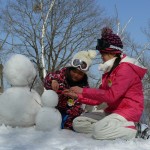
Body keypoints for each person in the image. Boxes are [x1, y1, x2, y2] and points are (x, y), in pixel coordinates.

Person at [63, 27, 149, 140]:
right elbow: (100, 99)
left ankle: (137, 129)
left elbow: (111, 96)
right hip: (112, 111)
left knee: (99, 131)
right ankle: (110, 129)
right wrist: (78, 96)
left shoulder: (125, 69)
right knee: (78, 122)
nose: (101, 57)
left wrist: (83, 90)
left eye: (102, 54)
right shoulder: (110, 71)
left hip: (128, 112)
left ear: (112, 53)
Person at [44, 50, 96, 130]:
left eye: (80, 73)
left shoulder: (84, 87)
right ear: (70, 69)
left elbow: (83, 103)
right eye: (74, 71)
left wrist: (77, 96)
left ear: (84, 75)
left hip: (70, 115)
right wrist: (52, 81)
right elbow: (47, 79)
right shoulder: (60, 76)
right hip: (54, 111)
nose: (76, 75)